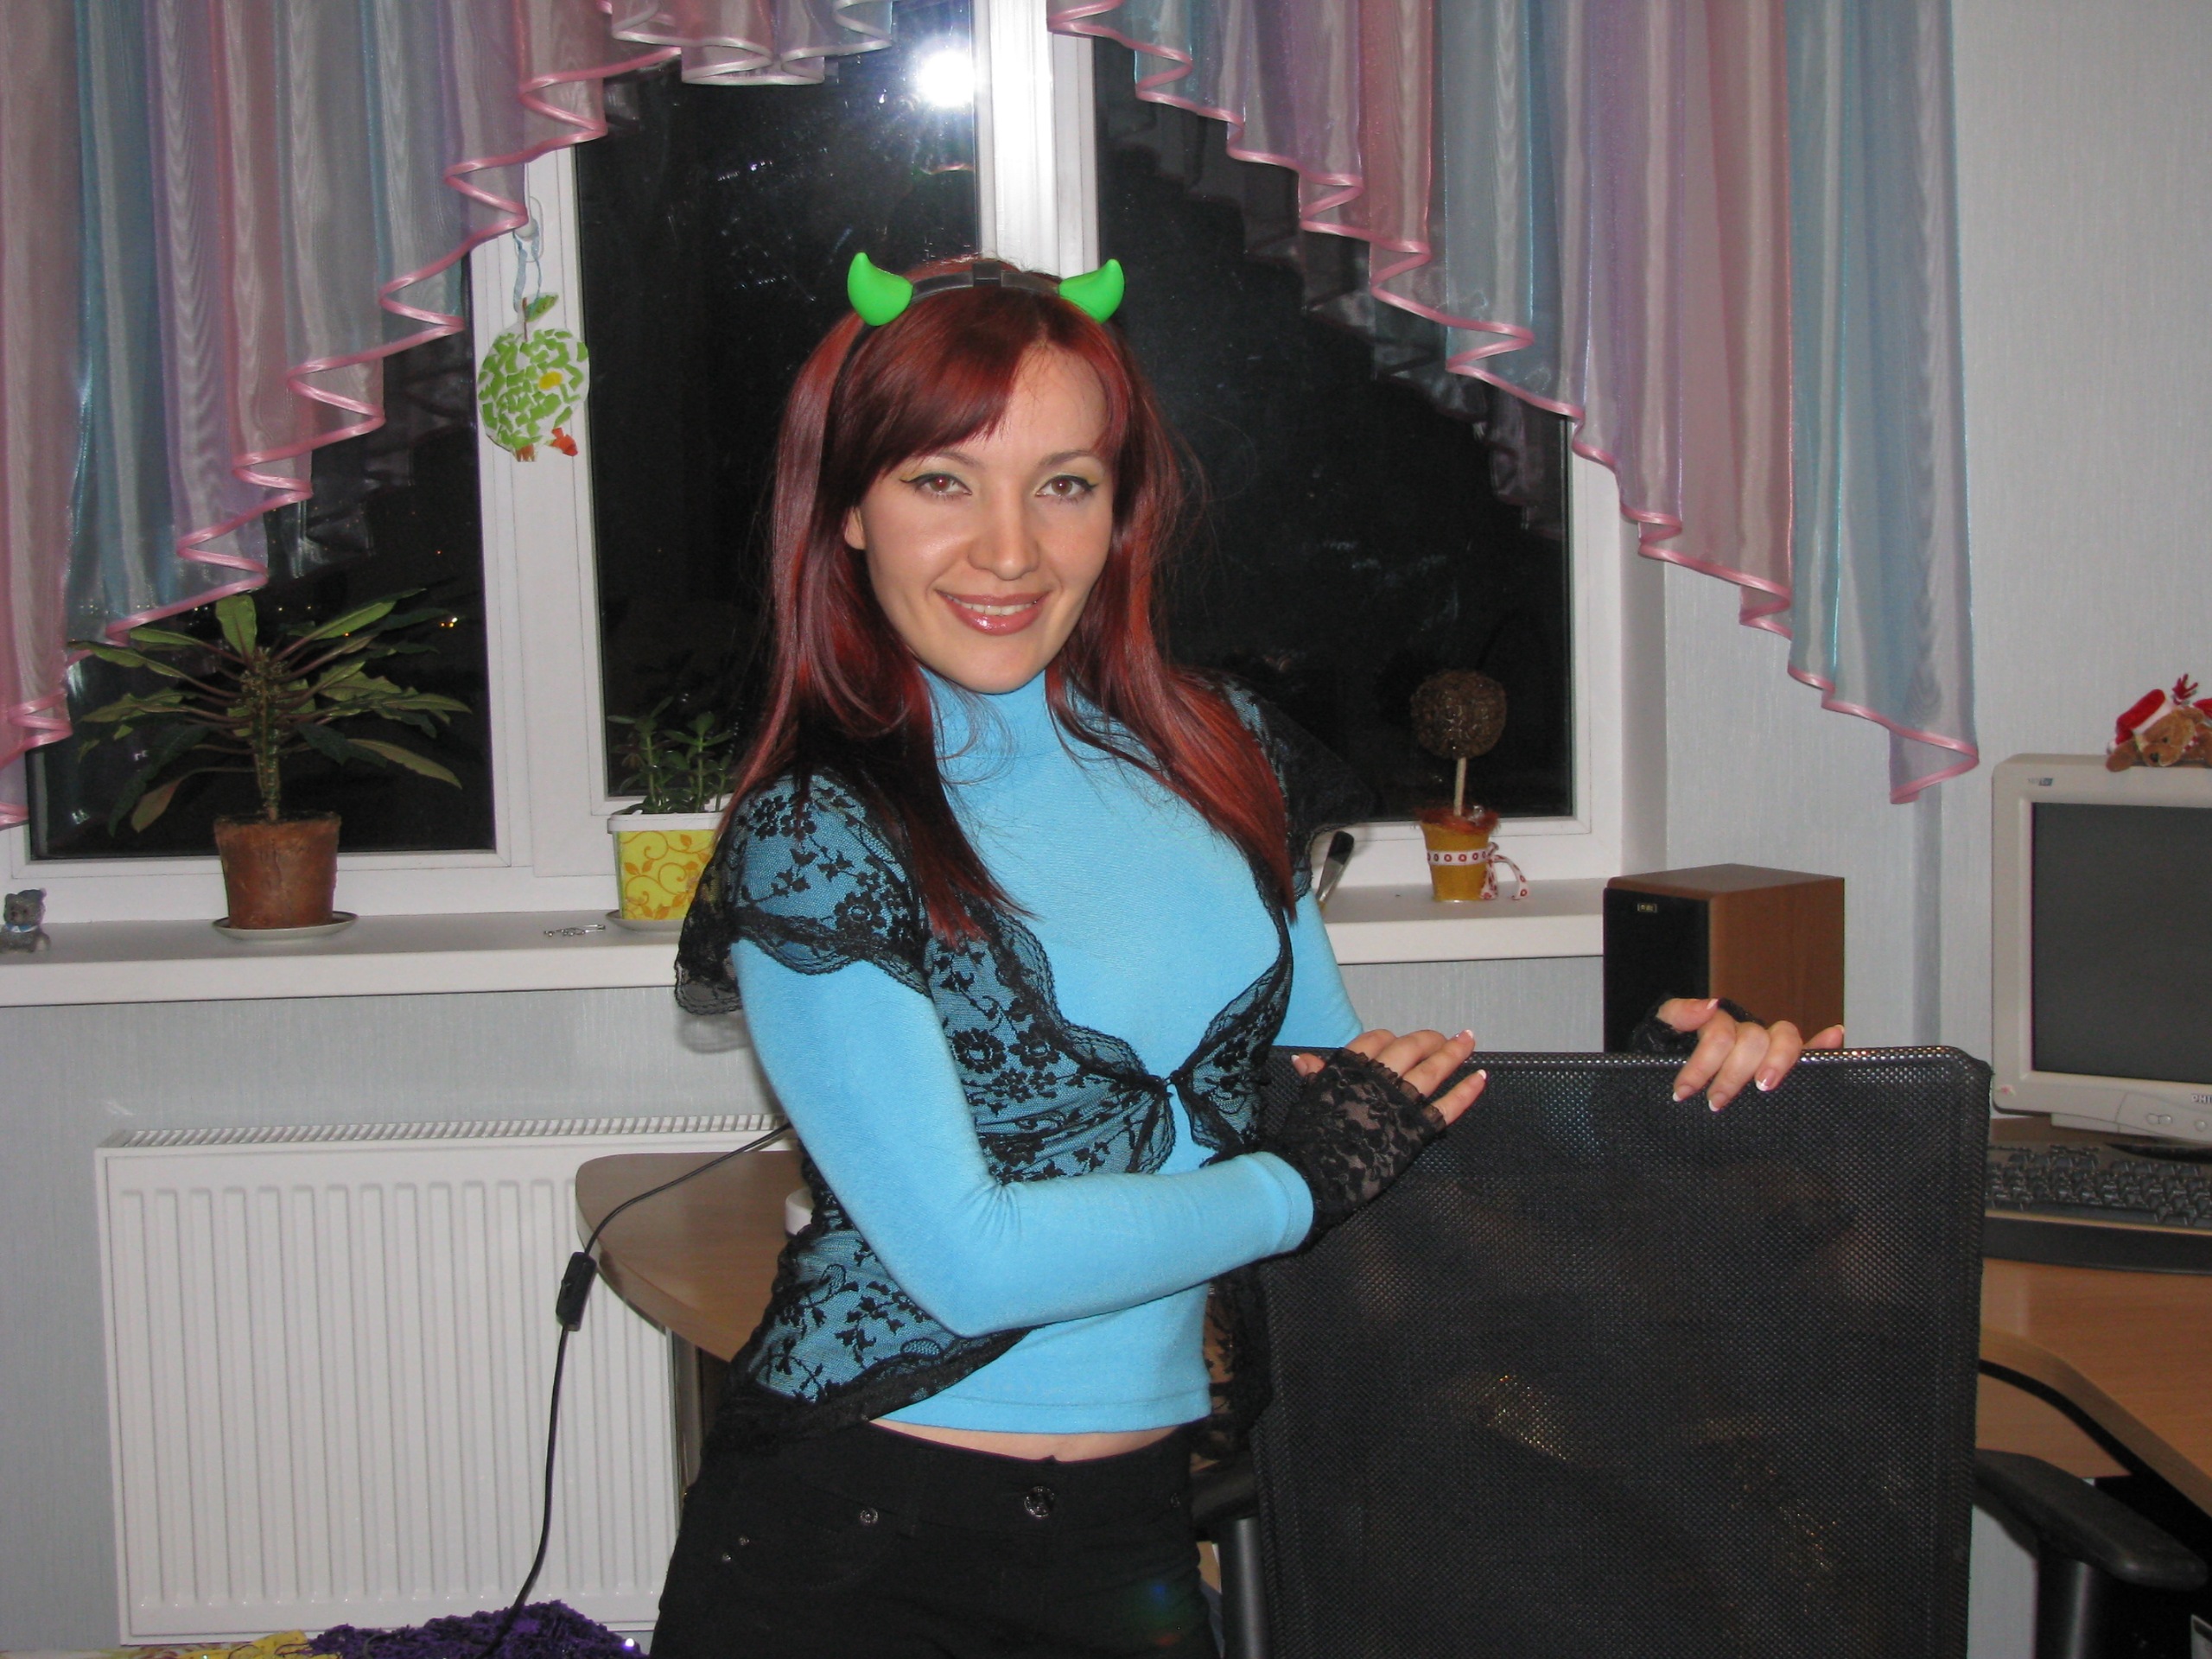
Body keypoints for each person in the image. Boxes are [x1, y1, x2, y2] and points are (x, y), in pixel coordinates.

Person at [655, 254, 1843, 1658]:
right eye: (940, 481)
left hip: (1131, 1536)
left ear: (1122, 507)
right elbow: (973, 1263)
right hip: (853, 1546)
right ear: (849, 509)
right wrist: (1297, 1182)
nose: (1009, 551)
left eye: (1064, 483)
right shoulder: (819, 840)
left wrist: (1665, 1092)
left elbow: (1353, 1112)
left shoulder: (1220, 756)